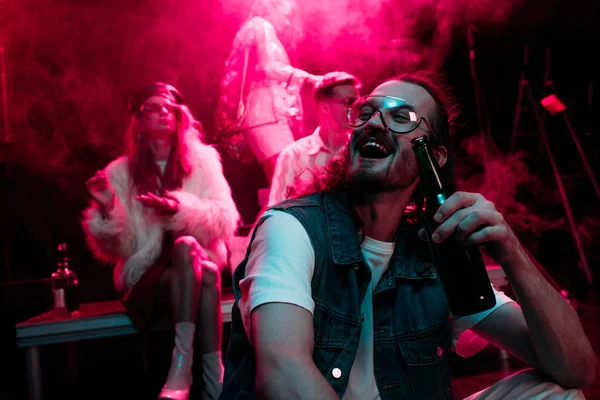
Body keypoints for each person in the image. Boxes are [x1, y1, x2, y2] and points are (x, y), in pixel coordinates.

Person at [219, 72, 596, 399]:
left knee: (555, 393)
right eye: (366, 112)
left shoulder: (433, 255)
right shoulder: (293, 228)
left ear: (435, 156)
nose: (374, 122)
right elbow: (283, 374)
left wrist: (513, 254)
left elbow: (577, 370)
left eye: (401, 117)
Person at [81, 82, 240, 400]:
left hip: (195, 262)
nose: (163, 113)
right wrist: (108, 206)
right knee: (206, 275)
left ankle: (181, 367)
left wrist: (179, 209)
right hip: (147, 275)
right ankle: (214, 377)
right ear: (138, 121)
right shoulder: (121, 172)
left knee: (190, 253)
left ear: (180, 117)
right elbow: (122, 248)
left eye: (168, 107)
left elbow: (226, 219)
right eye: (152, 108)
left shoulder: (205, 161)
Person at [214, 0, 323, 184]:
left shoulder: (250, 28)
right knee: (289, 183)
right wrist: (309, 78)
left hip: (260, 116)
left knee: (281, 187)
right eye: (285, 15)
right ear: (271, 7)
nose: (287, 22)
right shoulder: (262, 26)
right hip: (267, 115)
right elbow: (270, 67)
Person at [266, 71, 361, 207]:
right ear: (324, 107)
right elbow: (278, 210)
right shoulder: (294, 155)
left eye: (358, 103)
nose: (356, 109)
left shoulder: (362, 151)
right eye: (349, 102)